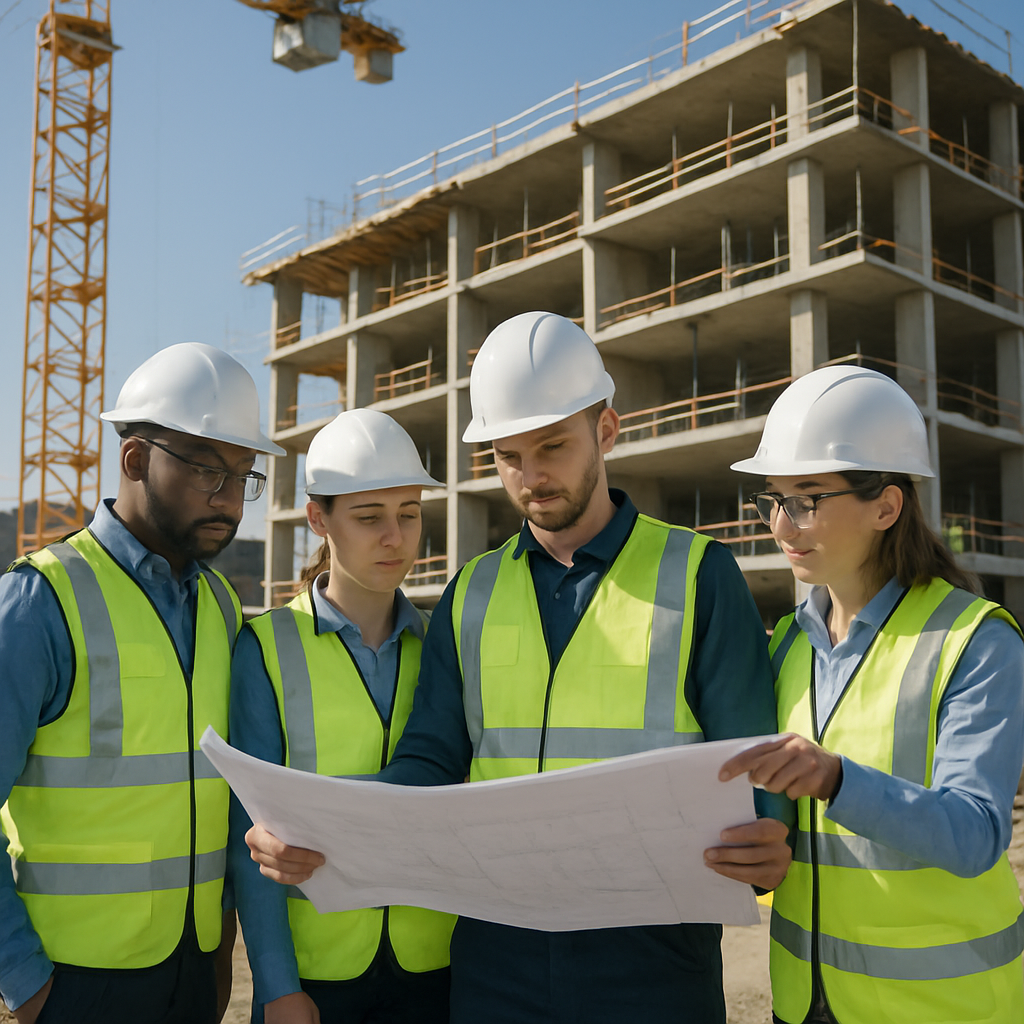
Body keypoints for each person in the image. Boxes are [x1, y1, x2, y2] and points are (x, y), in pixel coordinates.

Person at [245, 311, 793, 1024]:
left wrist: (771, 832)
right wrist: (323, 825)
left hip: (655, 960)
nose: (530, 476)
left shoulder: (699, 575)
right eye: (508, 455)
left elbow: (754, 763)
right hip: (495, 963)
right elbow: (430, 757)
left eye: (553, 446)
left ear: (606, 431)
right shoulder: (471, 591)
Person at [722, 365, 1024, 1023]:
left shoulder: (976, 640)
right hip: (804, 1003)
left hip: (942, 1006)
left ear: (887, 506)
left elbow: (976, 834)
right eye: (772, 500)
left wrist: (835, 780)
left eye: (806, 500)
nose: (781, 525)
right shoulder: (787, 646)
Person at [0, 343, 284, 1024]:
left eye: (244, 477)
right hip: (72, 983)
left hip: (194, 974)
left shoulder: (218, 606)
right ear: (134, 460)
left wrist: (218, 954)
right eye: (209, 473)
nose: (228, 502)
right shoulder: (40, 602)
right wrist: (26, 982)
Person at [230, 409, 456, 1024]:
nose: (395, 538)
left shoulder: (444, 647)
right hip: (315, 972)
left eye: (409, 514)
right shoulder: (265, 650)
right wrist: (277, 987)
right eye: (368, 518)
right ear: (317, 518)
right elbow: (248, 836)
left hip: (434, 967)